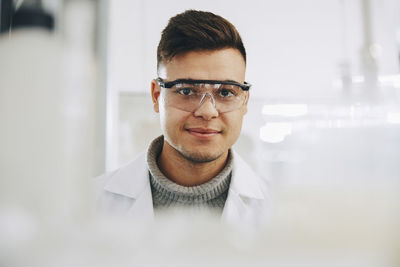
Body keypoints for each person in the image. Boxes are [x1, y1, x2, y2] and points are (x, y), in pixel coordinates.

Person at [96, 10, 269, 226]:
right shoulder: (90, 204)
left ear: (244, 102)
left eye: (225, 92)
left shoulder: (277, 214)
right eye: (187, 91)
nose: (207, 111)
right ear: (156, 95)